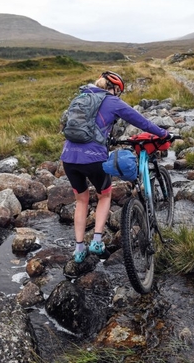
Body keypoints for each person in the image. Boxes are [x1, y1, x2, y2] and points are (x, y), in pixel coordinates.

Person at [60, 71, 171, 263]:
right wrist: (163, 133)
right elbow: (141, 122)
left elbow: (68, 126)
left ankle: (78, 250)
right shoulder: (111, 100)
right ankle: (96, 241)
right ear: (113, 88)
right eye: (118, 91)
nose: (118, 94)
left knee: (81, 200)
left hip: (69, 157)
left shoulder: (81, 97)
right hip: (93, 157)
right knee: (105, 195)